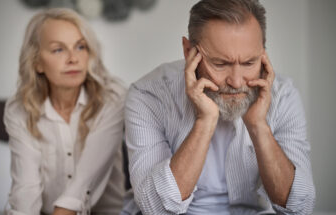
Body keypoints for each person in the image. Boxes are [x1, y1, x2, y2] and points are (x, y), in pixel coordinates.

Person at [121, 0, 315, 214]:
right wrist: (204, 122)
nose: (237, 81)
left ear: (263, 53)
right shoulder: (148, 95)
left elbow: (299, 208)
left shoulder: (283, 95)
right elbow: (155, 209)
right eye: (221, 64)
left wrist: (259, 126)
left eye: (250, 63)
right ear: (188, 52)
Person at [4, 8, 125, 215]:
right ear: (37, 62)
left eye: (80, 47)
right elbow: (26, 188)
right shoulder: (19, 110)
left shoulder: (112, 99)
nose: (73, 58)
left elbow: (84, 181)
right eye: (58, 49)